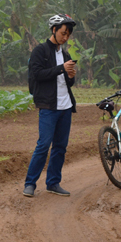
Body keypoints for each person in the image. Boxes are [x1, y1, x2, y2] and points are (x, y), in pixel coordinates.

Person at [23, 14, 78, 197]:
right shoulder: (40, 51)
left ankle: (53, 183)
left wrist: (70, 76)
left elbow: (69, 83)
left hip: (65, 107)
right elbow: (38, 74)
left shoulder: (66, 54)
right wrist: (62, 68)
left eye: (68, 34)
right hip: (48, 106)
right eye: (63, 33)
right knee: (43, 145)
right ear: (54, 30)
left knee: (60, 147)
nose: (65, 37)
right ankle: (30, 184)